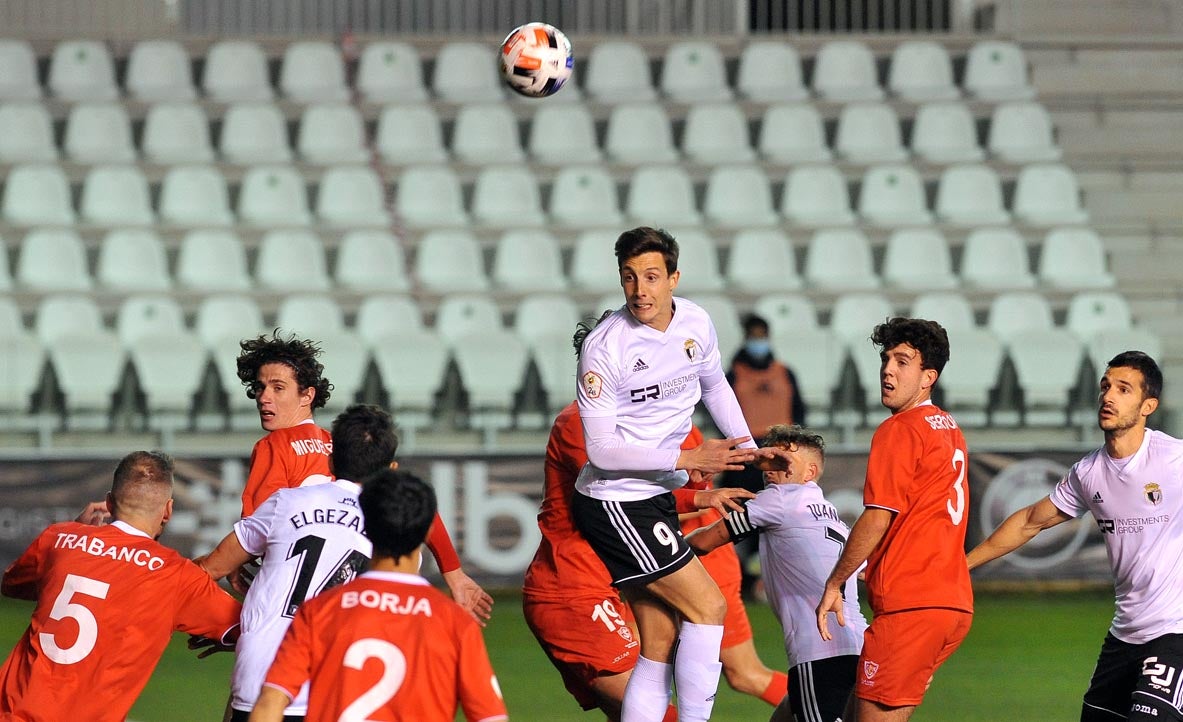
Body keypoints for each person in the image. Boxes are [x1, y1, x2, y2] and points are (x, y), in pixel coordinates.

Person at [571, 227, 788, 722]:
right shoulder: (606, 348)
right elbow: (601, 450)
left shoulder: (695, 321)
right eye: (629, 278)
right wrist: (687, 461)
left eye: (651, 277)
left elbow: (715, 387)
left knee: (660, 639)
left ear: (673, 278)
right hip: (615, 500)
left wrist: (751, 452)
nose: (640, 290)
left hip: (654, 498)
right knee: (708, 608)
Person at [524, 316, 787, 720]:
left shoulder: (664, 421)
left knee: (670, 687)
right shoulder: (581, 424)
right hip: (578, 587)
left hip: (643, 565)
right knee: (685, 689)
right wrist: (697, 491)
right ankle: (831, 701)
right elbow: (611, 493)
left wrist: (706, 489)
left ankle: (829, 701)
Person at [967, 351, 1183, 722]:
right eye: (1105, 386)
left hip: (1174, 634)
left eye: (1123, 389)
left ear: (1149, 405)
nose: (1108, 396)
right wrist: (962, 565)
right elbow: (1030, 521)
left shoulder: (1173, 459)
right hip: (1124, 635)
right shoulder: (1088, 472)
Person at [234, 331, 489, 617]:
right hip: (371, 594)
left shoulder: (274, 446)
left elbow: (256, 526)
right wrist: (454, 574)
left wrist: (235, 561)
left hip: (310, 602)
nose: (264, 397)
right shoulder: (346, 445)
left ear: (308, 395)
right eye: (259, 387)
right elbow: (414, 504)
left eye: (277, 388)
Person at [249, 469, 508, 722]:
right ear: (427, 533)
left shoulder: (319, 611)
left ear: (367, 528)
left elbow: (270, 703)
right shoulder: (454, 622)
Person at [0, 451, 242, 722]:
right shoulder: (176, 576)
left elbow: (11, 584)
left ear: (109, 503)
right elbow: (256, 630)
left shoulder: (59, 538)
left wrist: (75, 532)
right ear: (168, 510)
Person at [816, 317, 972, 722]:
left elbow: (878, 515)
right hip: (950, 604)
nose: (888, 369)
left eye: (903, 361)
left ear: (928, 377)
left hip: (912, 607)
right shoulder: (949, 428)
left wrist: (836, 581)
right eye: (886, 359)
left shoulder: (899, 429)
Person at [687, 425, 867, 722]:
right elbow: (863, 572)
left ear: (809, 472)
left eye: (784, 463)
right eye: (770, 459)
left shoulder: (779, 499)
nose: (771, 469)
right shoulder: (832, 517)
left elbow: (705, 541)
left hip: (819, 651)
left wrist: (654, 550)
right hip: (858, 646)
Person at [723, 313, 808, 599]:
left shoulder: (785, 373)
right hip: (745, 459)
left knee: (783, 521)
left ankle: (787, 579)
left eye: (762, 336)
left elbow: (799, 414)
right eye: (754, 336)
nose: (758, 342)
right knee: (740, 523)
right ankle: (742, 582)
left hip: (780, 457)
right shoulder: (733, 374)